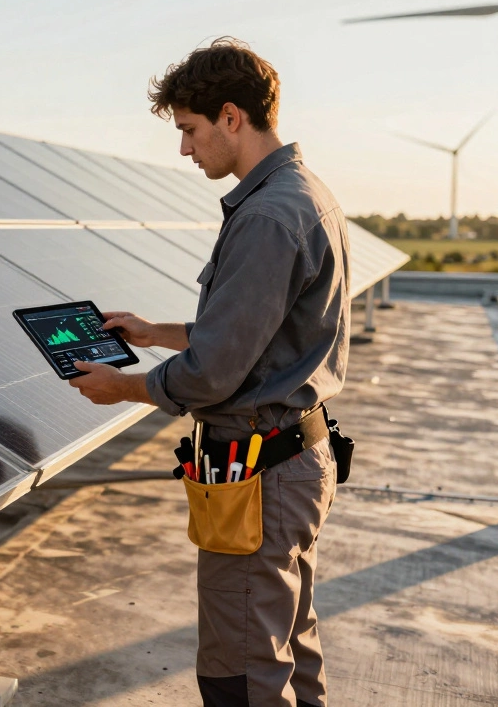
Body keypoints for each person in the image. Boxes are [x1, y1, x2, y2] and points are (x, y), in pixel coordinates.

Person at [67, 37, 350, 707]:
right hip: (293, 457)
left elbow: (215, 372)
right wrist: (154, 332)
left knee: (242, 675)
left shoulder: (270, 216)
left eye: (191, 131)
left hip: (261, 477)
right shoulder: (302, 195)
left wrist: (127, 387)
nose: (185, 149)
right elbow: (259, 336)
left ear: (231, 117)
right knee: (287, 652)